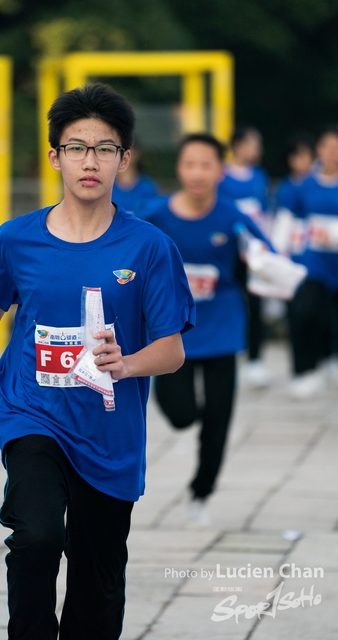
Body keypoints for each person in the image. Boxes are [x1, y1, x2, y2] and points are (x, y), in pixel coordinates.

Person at [0, 83, 195, 640]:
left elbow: (172, 350)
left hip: (110, 435)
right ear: (55, 157)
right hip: (32, 413)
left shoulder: (149, 248)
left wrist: (126, 362)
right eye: (77, 147)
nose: (90, 161)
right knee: (36, 537)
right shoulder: (16, 240)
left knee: (97, 586)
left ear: (124, 158)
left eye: (105, 148)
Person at [135, 132, 272, 527]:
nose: (197, 173)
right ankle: (180, 414)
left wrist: (266, 264)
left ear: (220, 170)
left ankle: (201, 492)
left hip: (222, 331)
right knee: (182, 415)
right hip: (171, 336)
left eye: (206, 165)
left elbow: (265, 257)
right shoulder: (154, 216)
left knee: (218, 419)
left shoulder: (233, 218)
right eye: (190, 164)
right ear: (179, 168)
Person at [218, 125, 271, 388]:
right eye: (253, 143)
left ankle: (255, 359)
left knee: (256, 304)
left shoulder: (260, 177)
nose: (257, 149)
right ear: (238, 145)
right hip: (229, 251)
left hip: (254, 253)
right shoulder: (222, 177)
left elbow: (264, 214)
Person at [288, 126, 338, 398]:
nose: (332, 153)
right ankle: (304, 370)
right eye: (327, 147)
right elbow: (289, 219)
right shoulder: (305, 184)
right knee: (308, 314)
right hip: (312, 263)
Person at [112, 141, 159, 213]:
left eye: (128, 151)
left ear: (137, 153)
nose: (124, 156)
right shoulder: (107, 186)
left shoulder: (147, 187)